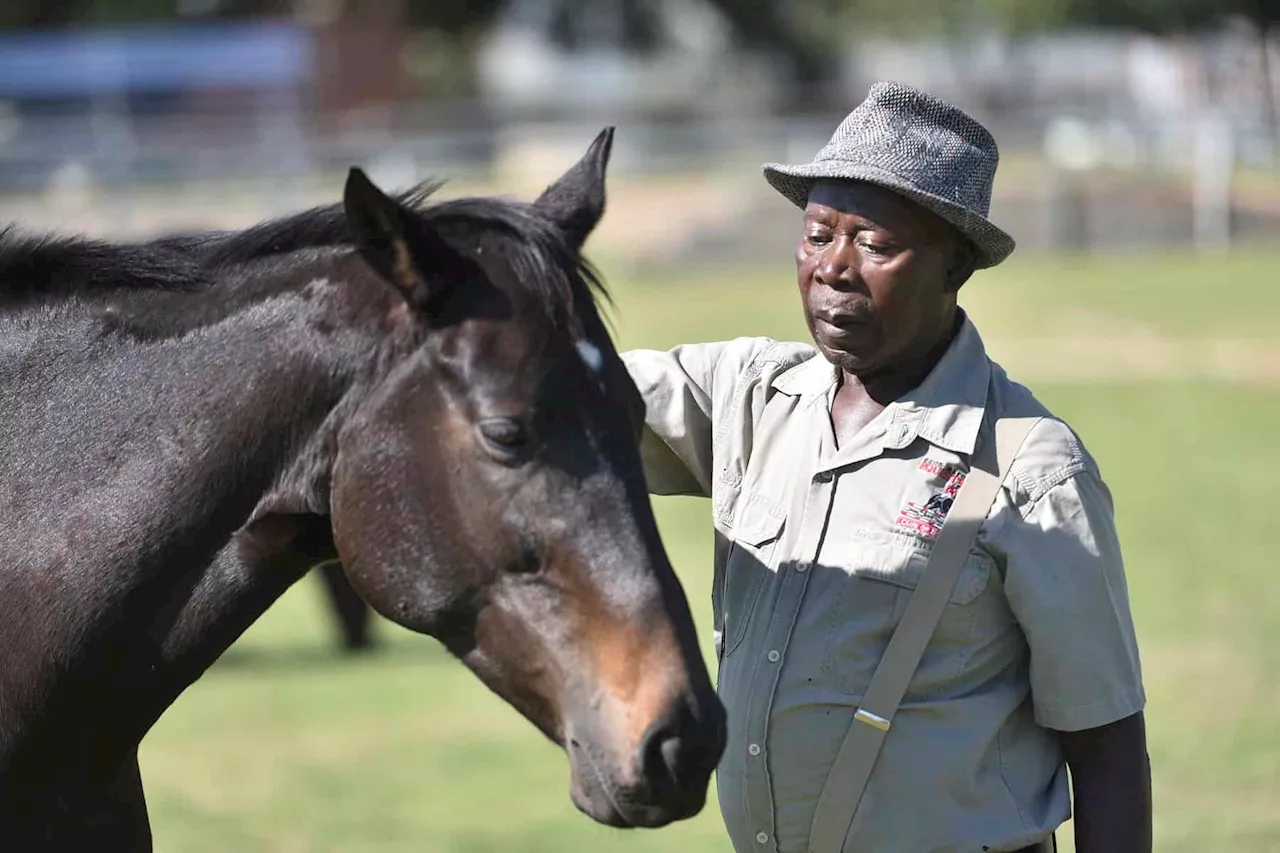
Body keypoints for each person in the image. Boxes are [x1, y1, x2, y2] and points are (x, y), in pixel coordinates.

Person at [622, 82, 1150, 853]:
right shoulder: (749, 398)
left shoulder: (1030, 468)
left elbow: (1106, 749)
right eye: (816, 234)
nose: (833, 268)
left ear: (954, 266)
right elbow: (562, 390)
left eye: (874, 243)